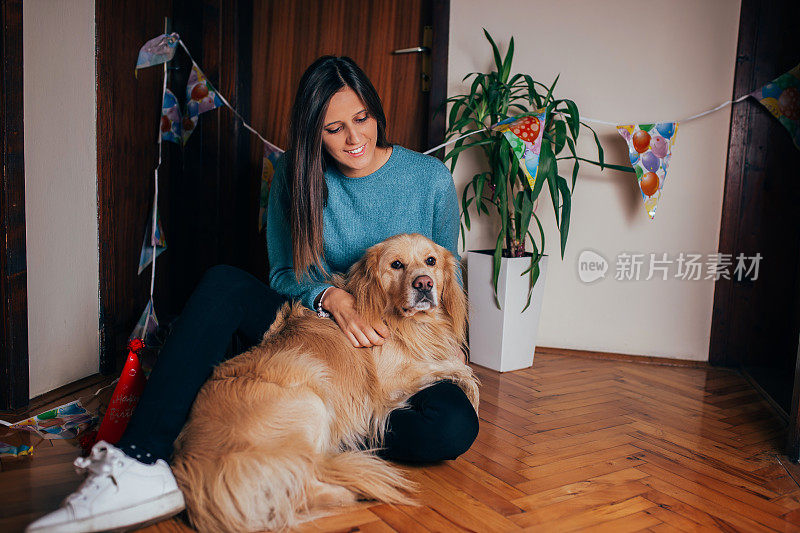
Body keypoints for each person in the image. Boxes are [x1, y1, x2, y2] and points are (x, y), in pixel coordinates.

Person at [28, 56, 479, 533]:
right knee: (223, 282)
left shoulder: (428, 178)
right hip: (308, 326)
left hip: (389, 345)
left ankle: (319, 434)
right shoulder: (294, 174)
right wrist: (330, 297)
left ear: (376, 111)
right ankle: (140, 464)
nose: (354, 139)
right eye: (334, 128)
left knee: (452, 427)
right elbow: (283, 274)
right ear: (314, 133)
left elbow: (448, 280)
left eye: (362, 118)